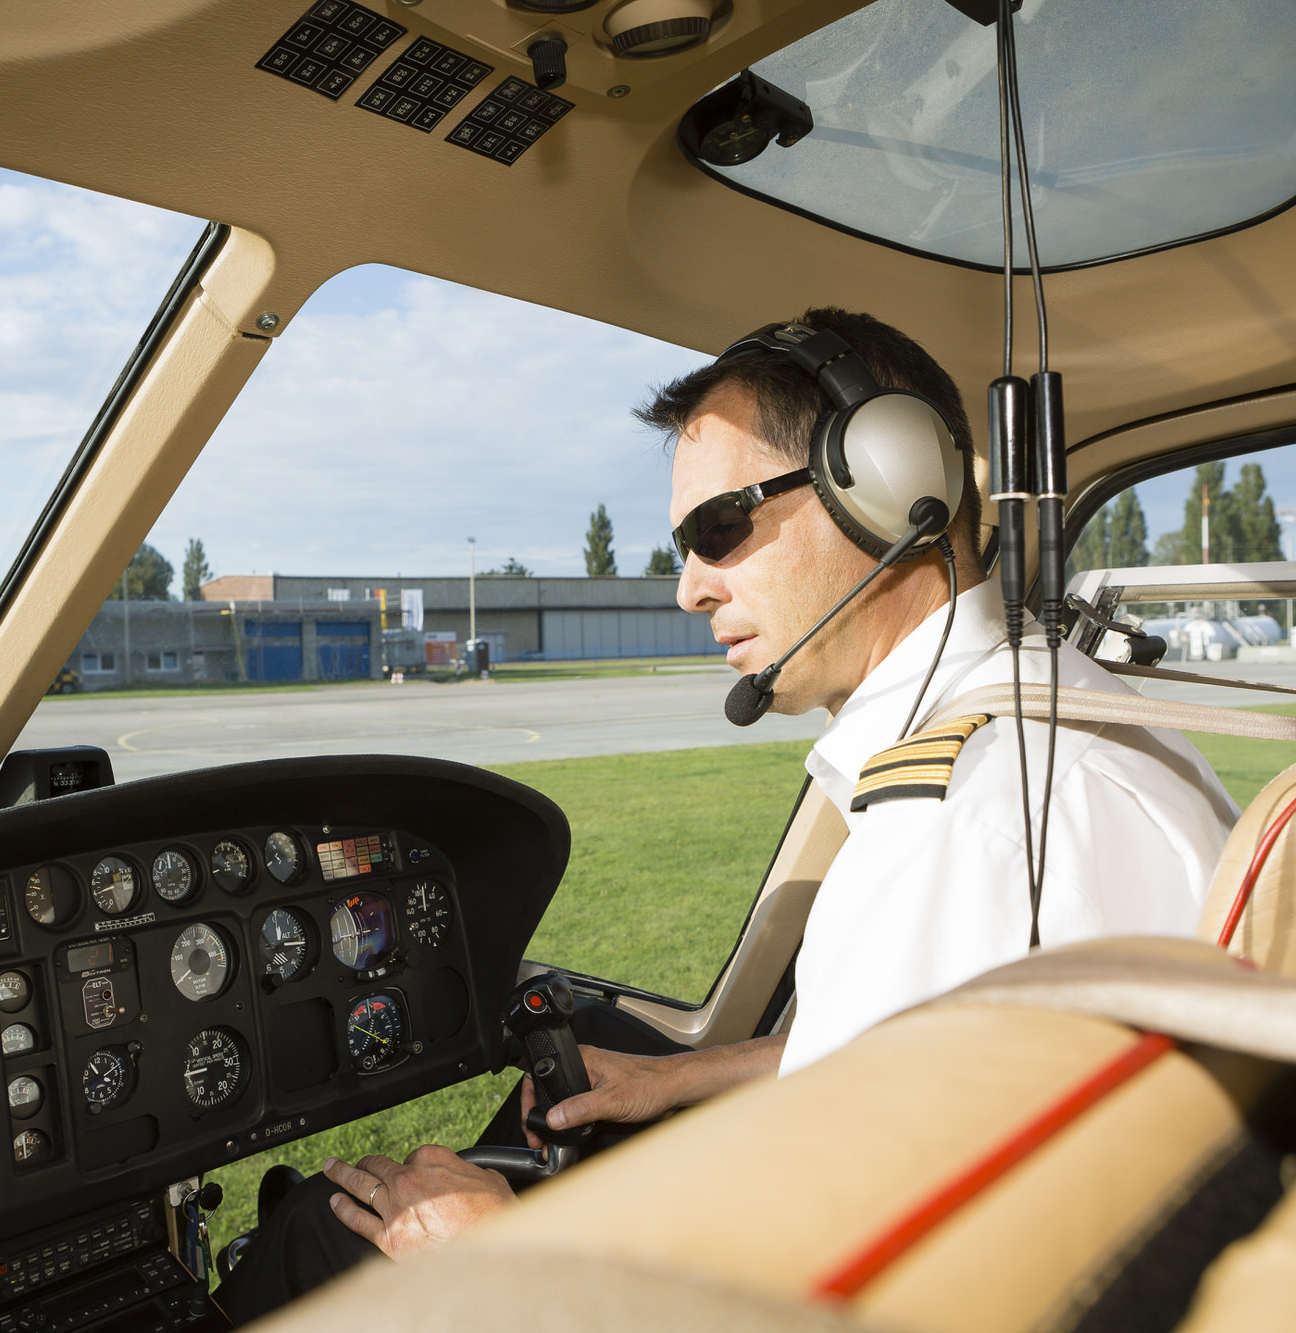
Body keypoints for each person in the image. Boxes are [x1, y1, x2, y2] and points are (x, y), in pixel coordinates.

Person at [211, 307, 1238, 1321]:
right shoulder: (1054, 710)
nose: (689, 590)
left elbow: (854, 1285)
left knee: (320, 1239)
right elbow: (916, 1053)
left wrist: (505, 1254)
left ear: (891, 490)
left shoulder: (963, 824)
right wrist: (679, 1078)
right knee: (613, 1051)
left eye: (718, 528)